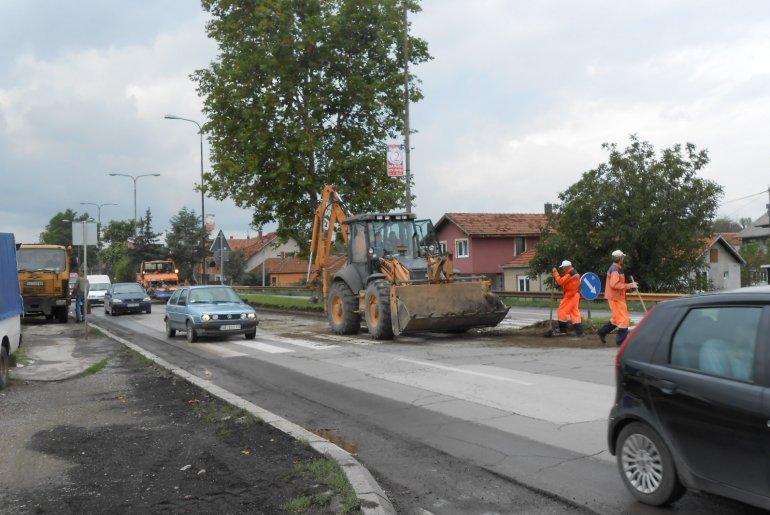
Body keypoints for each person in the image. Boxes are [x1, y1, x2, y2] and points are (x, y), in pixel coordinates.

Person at [596, 250, 637, 346]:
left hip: (616, 297)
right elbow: (614, 284)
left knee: (616, 319)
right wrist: (629, 285)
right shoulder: (615, 269)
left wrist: (629, 285)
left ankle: (602, 332)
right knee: (624, 319)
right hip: (616, 298)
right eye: (622, 257)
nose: (623, 259)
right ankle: (621, 342)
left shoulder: (617, 268)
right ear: (619, 258)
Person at [552, 260, 584, 336]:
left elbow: (560, 281)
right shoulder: (574, 273)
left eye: (563, 267)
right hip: (575, 295)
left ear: (566, 267)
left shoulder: (570, 274)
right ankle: (580, 332)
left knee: (561, 311)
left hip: (570, 295)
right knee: (575, 313)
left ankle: (563, 330)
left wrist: (555, 273)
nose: (562, 269)